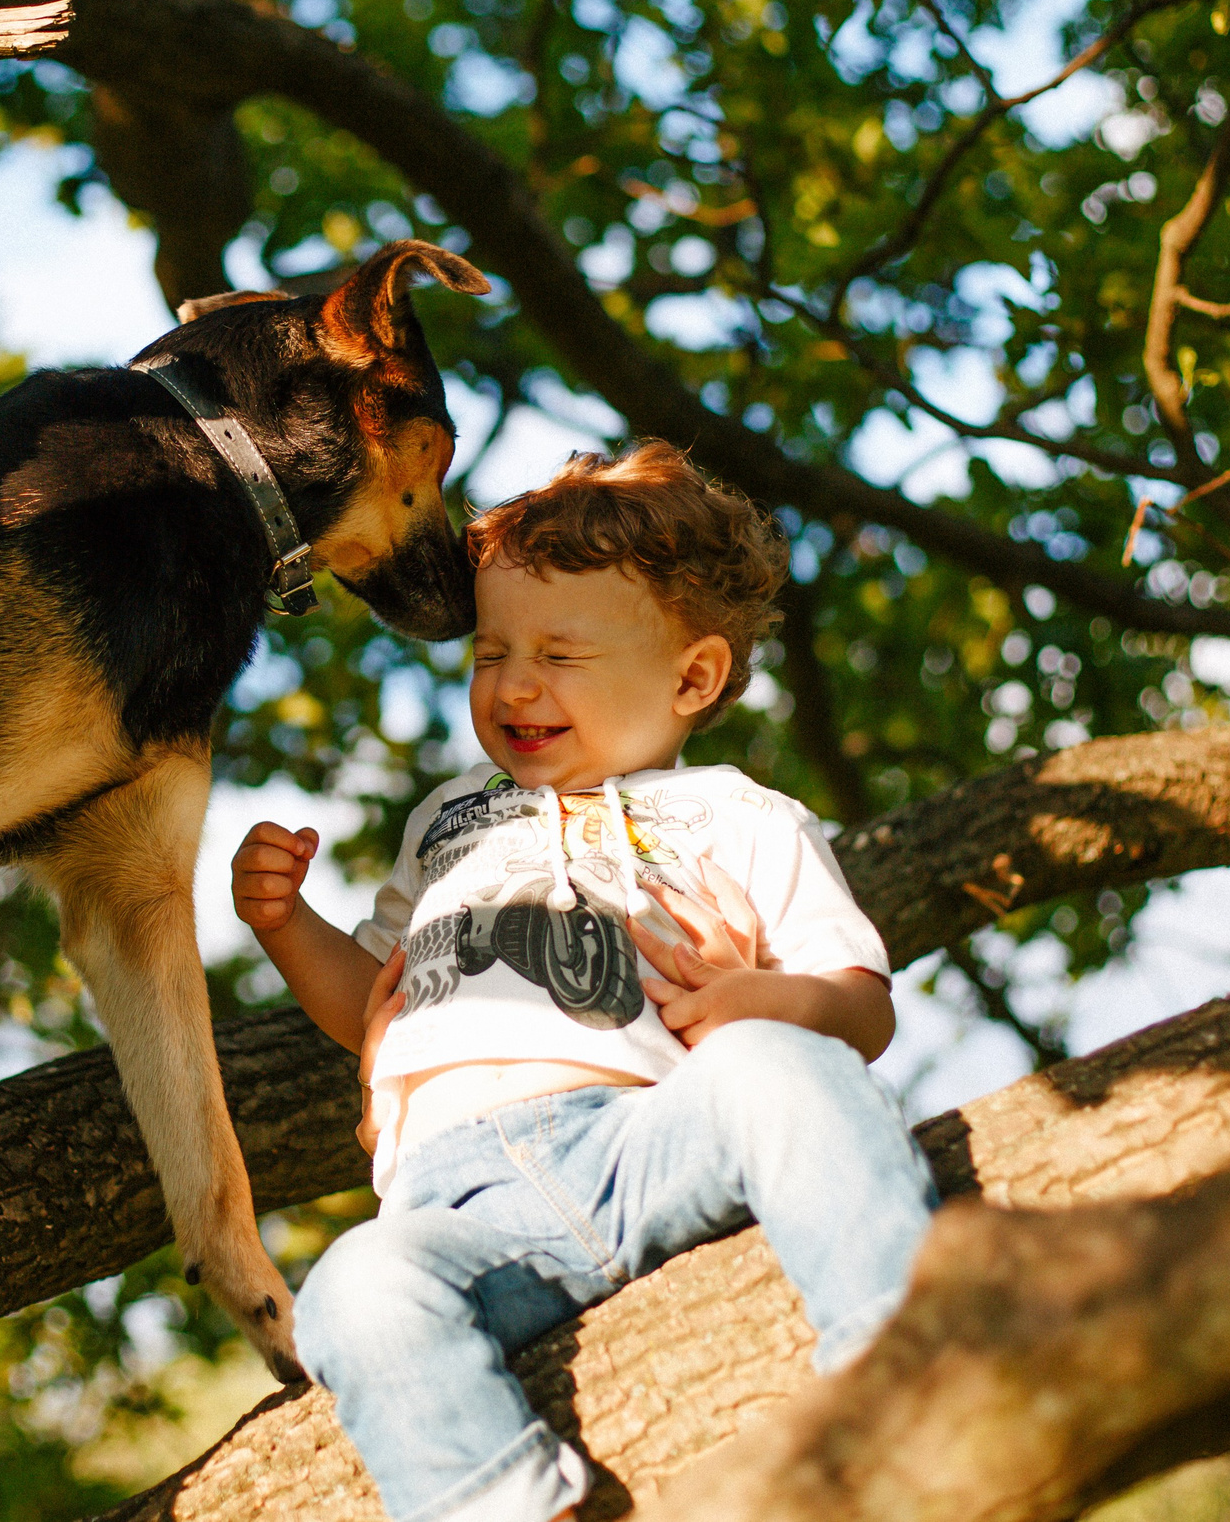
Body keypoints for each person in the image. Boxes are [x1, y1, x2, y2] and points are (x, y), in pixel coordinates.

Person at [231, 441, 936, 1522]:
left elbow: (860, 1004)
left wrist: (767, 1005)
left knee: (777, 1071)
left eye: (559, 654)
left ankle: (906, 1353)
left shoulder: (738, 814)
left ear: (691, 676)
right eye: (489, 652)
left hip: (647, 1139)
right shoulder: (447, 823)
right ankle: (504, 1503)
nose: (513, 684)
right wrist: (286, 926)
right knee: (356, 1293)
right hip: (454, 1205)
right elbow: (363, 1004)